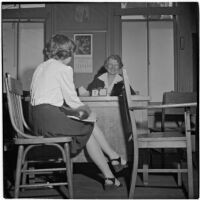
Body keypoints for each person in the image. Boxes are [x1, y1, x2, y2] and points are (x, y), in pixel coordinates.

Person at [30, 34, 127, 190]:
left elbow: (50, 101)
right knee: (89, 123)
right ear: (67, 53)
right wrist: (88, 112)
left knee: (87, 125)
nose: (73, 57)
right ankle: (114, 158)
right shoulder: (64, 68)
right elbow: (72, 100)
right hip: (49, 120)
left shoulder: (41, 67)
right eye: (72, 53)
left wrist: (83, 114)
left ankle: (110, 174)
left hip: (37, 120)